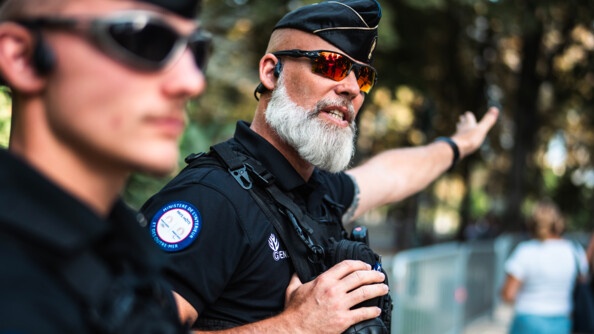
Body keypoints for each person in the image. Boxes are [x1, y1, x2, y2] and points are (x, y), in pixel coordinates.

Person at [141, 0, 499, 332]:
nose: (351, 89)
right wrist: (296, 325)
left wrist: (458, 146)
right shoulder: (211, 198)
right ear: (271, 72)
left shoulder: (313, 188)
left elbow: (392, 175)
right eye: (330, 64)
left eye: (363, 77)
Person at [0, 0, 210, 332]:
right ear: (23, 58)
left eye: (197, 51)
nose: (192, 82)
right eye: (145, 39)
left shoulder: (126, 257)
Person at [501, 199, 589, 334]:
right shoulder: (574, 251)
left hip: (527, 319)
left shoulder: (525, 251)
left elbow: (508, 295)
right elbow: (582, 280)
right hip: (561, 321)